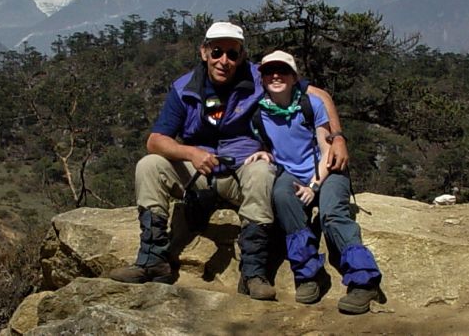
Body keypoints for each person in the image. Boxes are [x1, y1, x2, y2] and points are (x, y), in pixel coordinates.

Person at [107, 22, 347, 300]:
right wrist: (191, 154)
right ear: (204, 52)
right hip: (198, 172)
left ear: (242, 56)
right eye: (217, 52)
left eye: (232, 54)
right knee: (148, 165)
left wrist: (337, 137)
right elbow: (155, 140)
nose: (224, 61)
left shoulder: (260, 78)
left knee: (262, 171)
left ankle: (253, 273)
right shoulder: (185, 87)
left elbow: (320, 95)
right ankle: (152, 260)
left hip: (241, 172)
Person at [249, 50, 383, 314]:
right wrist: (262, 152)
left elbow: (327, 150)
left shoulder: (311, 105)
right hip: (291, 174)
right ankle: (309, 274)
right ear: (262, 79)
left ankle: (364, 280)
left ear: (294, 76)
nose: (276, 76)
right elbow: (268, 144)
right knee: (282, 197)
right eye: (269, 72)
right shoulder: (259, 115)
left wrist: (314, 186)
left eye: (283, 71)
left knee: (332, 215)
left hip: (326, 171)